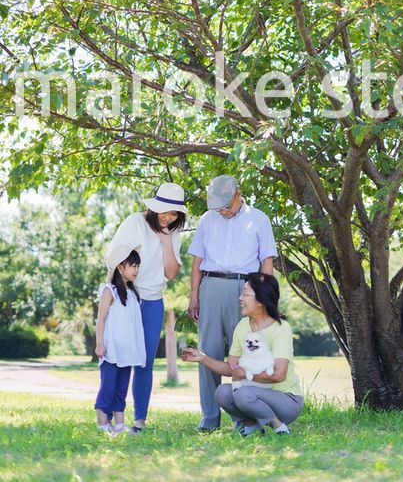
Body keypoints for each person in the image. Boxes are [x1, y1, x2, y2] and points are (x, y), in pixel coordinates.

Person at [187, 175, 278, 432]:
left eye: (226, 206)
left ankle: (245, 419)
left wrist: (263, 298)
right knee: (208, 352)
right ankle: (209, 419)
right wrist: (194, 295)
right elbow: (197, 262)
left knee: (246, 354)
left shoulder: (258, 219)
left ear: (239, 193)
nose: (222, 212)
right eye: (218, 207)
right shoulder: (207, 219)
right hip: (211, 287)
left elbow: (267, 263)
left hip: (246, 288)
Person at [105, 182, 186, 432]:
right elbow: (112, 260)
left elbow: (171, 273)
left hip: (152, 302)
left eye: (174, 214)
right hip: (126, 298)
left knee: (144, 361)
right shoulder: (134, 222)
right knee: (118, 359)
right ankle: (109, 418)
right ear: (154, 207)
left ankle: (140, 420)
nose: (168, 217)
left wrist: (165, 242)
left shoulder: (173, 233)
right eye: (164, 211)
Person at [182, 272, 304, 436]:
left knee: (243, 392)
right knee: (222, 392)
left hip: (286, 400)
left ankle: (278, 425)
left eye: (246, 294)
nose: (240, 298)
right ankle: (253, 425)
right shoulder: (243, 326)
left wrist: (246, 375)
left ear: (261, 300)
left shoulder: (281, 328)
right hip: (253, 395)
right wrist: (202, 358)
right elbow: (232, 368)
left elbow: (278, 375)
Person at [94, 246, 146, 435]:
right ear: (120, 267)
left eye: (138, 267)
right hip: (111, 350)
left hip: (127, 351)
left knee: (121, 388)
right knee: (108, 387)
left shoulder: (133, 292)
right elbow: (100, 319)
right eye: (133, 266)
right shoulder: (110, 290)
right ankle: (102, 424)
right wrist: (100, 343)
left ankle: (119, 424)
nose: (136, 270)